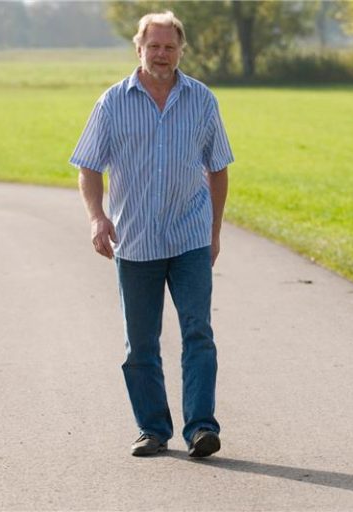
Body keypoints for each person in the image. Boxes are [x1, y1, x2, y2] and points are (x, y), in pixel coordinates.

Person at [70, 11, 233, 458]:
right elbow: (88, 165)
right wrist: (97, 217)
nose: (161, 54)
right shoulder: (112, 102)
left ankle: (201, 428)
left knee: (198, 333)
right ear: (139, 49)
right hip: (135, 241)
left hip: (190, 240)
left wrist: (214, 232)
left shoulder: (201, 100)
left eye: (169, 46)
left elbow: (219, 169)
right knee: (140, 343)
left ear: (181, 50)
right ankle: (153, 428)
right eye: (153, 46)